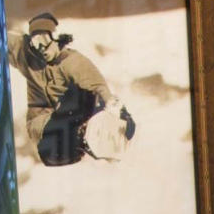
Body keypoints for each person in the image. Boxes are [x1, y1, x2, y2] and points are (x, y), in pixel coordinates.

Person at [7, 12, 136, 167]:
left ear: (57, 39)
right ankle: (78, 137)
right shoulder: (28, 54)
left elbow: (97, 86)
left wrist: (119, 110)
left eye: (44, 40)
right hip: (46, 119)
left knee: (83, 96)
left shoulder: (72, 62)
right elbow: (2, 40)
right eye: (36, 42)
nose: (41, 48)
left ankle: (89, 131)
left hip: (71, 111)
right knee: (47, 151)